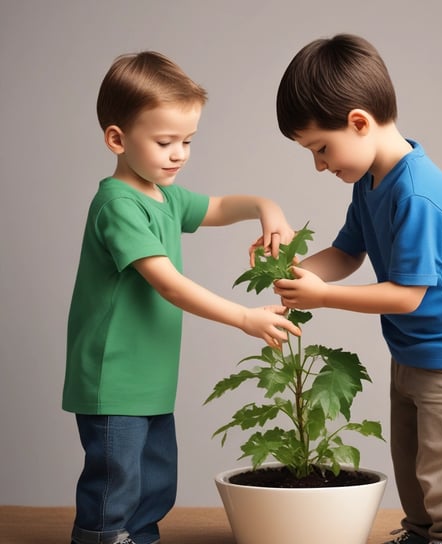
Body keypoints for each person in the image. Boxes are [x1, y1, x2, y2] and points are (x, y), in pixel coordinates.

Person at [272, 34, 442, 544]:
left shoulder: (417, 193)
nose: (320, 164)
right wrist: (291, 269)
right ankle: (419, 534)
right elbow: (347, 253)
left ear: (358, 122)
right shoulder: (370, 182)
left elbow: (406, 295)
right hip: (413, 352)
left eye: (321, 148)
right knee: (413, 469)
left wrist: (324, 297)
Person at [63, 51, 300, 544]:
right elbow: (166, 282)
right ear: (117, 139)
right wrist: (242, 317)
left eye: (188, 141)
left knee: (154, 480)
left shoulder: (164, 197)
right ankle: (101, 538)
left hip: (150, 376)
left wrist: (266, 207)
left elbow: (216, 206)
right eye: (165, 141)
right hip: (114, 376)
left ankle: (139, 536)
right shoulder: (118, 204)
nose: (180, 154)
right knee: (115, 480)